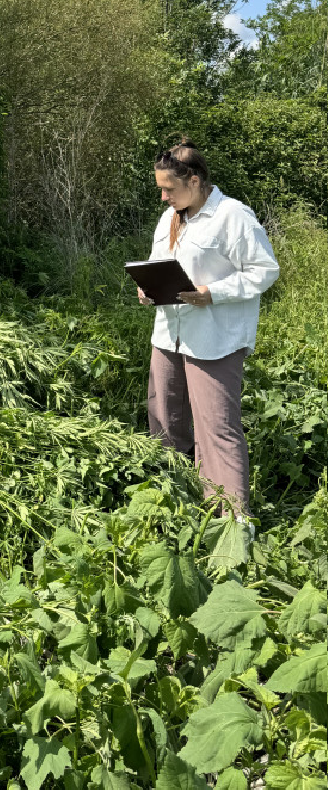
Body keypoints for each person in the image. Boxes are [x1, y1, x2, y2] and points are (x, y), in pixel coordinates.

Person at [138, 137, 279, 521]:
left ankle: (232, 522)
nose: (163, 197)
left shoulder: (233, 217)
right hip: (169, 334)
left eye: (169, 188)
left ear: (195, 180)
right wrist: (148, 289)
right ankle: (178, 499)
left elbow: (265, 271)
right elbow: (158, 263)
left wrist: (212, 293)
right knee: (165, 419)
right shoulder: (170, 217)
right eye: (161, 189)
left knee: (216, 428)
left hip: (215, 340)